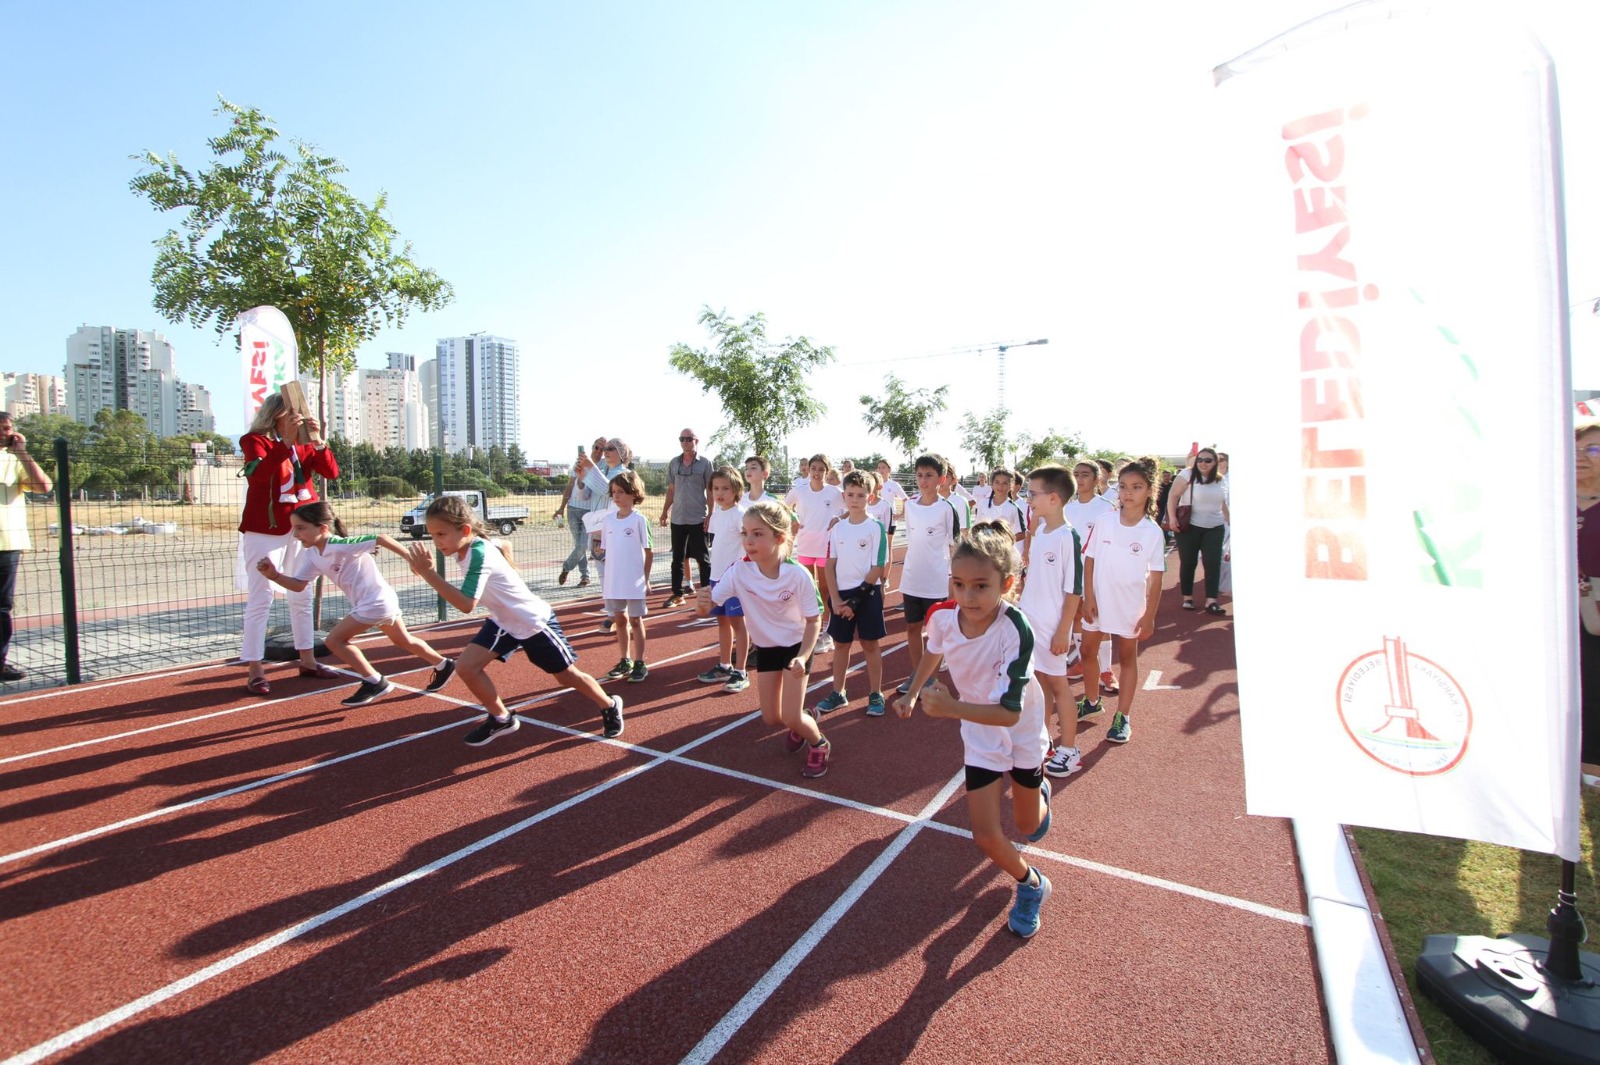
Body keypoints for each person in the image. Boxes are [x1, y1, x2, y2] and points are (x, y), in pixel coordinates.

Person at [892, 521, 1054, 938]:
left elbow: (1008, 714)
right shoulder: (946, 618)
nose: (968, 596)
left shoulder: (1014, 629)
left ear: (1008, 583)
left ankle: (1038, 795)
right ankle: (1031, 885)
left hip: (1018, 728)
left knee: (1027, 824)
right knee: (985, 835)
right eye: (959, 584)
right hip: (979, 733)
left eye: (981, 586)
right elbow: (932, 652)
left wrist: (949, 707)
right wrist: (913, 691)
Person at [405, 494, 623, 746]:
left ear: (464, 529)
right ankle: (501, 718)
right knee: (466, 666)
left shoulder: (477, 553)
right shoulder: (464, 545)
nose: (436, 541)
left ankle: (609, 704)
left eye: (440, 534)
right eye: (432, 535)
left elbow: (466, 605)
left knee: (566, 676)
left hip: (532, 622)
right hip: (504, 622)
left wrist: (428, 573)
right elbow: (500, 543)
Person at [255, 501, 453, 706]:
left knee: (334, 641)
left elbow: (381, 538)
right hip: (377, 601)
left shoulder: (340, 545)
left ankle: (375, 681)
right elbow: (297, 585)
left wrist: (412, 560)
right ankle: (443, 664)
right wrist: (275, 575)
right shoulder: (313, 554)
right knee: (403, 641)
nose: (295, 535)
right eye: (294, 528)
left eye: (301, 528)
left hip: (375, 603)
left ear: (323, 528)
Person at [697, 501, 831, 778]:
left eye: (758, 534)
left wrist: (804, 656)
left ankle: (819, 743)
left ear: (779, 538)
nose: (749, 541)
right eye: (745, 533)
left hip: (796, 647)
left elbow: (814, 620)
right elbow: (711, 605)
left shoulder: (797, 575)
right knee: (772, 718)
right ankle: (803, 719)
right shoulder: (738, 571)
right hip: (768, 648)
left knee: (791, 716)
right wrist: (701, 603)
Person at [236, 393, 341, 695]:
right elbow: (260, 478)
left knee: (301, 593)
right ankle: (255, 668)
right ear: (276, 415)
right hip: (265, 530)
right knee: (262, 596)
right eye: (291, 413)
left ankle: (307, 660)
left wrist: (318, 440)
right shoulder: (254, 441)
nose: (298, 416)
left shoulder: (304, 444)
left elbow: (330, 472)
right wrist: (285, 444)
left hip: (302, 528)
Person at [1079, 459, 1166, 744]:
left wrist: (1150, 615)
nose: (1128, 493)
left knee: (1127, 658)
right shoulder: (1104, 521)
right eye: (1124, 486)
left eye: (1136, 487)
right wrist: (1088, 596)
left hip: (1129, 605)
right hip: (1098, 601)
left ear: (1150, 491)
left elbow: (1156, 578)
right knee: (1087, 652)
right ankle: (1092, 701)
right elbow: (1089, 559)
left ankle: (1123, 716)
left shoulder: (1152, 532)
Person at [1019, 465, 1086, 777]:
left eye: (1033, 494)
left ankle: (1070, 750)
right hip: (1032, 621)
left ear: (1055, 499)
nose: (1028, 498)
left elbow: (1074, 590)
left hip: (1052, 628)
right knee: (1040, 685)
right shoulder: (1043, 531)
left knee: (1059, 686)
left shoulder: (1066, 536)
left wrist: (1064, 632)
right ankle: (1043, 742)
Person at [815, 470, 889, 718]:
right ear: (844, 496)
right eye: (850, 494)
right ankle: (838, 692)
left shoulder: (875, 527)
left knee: (869, 644)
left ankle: (876, 693)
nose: (854, 499)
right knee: (841, 645)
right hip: (842, 596)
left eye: (860, 495)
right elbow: (829, 565)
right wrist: (835, 600)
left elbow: (877, 567)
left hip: (866, 595)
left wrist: (854, 602)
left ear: (870, 496)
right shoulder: (837, 529)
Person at [897, 454, 965, 694]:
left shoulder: (947, 509)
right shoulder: (910, 506)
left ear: (942, 479)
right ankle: (918, 675)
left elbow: (955, 546)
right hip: (911, 579)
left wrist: (953, 581)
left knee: (935, 634)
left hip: (936, 581)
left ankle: (932, 680)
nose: (923, 481)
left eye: (929, 475)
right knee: (913, 629)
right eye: (919, 475)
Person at [0, 412, 52, 681]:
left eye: (8, 428)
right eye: (1, 428)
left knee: (2, 607)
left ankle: (0, 662)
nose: (4, 433)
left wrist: (22, 453)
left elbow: (44, 486)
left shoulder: (14, 460)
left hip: (7, 543)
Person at [698, 465, 751, 693]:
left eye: (725, 488)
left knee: (738, 622)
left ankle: (741, 671)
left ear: (736, 490)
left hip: (735, 579)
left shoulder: (740, 515)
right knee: (721, 621)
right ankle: (724, 665)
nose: (720, 493)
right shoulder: (716, 515)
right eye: (716, 488)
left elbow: (750, 541)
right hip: (716, 577)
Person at [784, 454, 844, 654]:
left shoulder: (835, 492)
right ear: (808, 470)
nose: (817, 473)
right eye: (814, 468)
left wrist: (837, 518)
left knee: (825, 589)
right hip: (805, 546)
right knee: (808, 588)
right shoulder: (800, 490)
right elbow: (783, 506)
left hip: (826, 547)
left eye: (821, 469)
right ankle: (810, 627)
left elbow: (850, 507)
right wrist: (793, 517)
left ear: (827, 472)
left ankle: (826, 632)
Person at [598, 470, 654, 684]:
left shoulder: (640, 520)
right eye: (613, 492)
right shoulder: (608, 520)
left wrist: (645, 579)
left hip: (634, 581)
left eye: (621, 492)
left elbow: (648, 551)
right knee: (619, 620)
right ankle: (625, 659)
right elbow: (605, 550)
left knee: (636, 620)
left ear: (633, 493)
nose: (616, 496)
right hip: (614, 580)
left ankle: (640, 661)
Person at [1064, 461, 1116, 683]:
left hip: (1097, 572)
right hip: (1072, 571)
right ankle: (1084, 663)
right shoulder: (1067, 508)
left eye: (1085, 475)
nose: (1079, 479)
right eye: (1076, 474)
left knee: (1098, 618)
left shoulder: (1106, 507)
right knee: (1077, 614)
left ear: (1097, 480)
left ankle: (1106, 669)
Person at [1168, 447, 1231, 615]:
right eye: (1200, 460)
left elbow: (1222, 503)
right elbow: (1173, 496)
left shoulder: (1221, 480)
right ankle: (1187, 597)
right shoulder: (1187, 475)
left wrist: (1230, 521)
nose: (1203, 463)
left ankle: (1212, 601)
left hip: (1215, 527)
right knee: (1189, 563)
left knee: (1213, 564)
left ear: (1215, 463)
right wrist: (1172, 518)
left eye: (1208, 460)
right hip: (1189, 527)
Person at [1574, 422, 1600, 787]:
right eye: (1578, 448)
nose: (1581, 455)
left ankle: (1592, 765)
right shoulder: (1553, 500)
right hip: (1557, 611)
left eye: (1592, 449)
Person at [660, 428, 713, 608]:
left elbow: (710, 490)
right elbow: (671, 489)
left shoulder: (705, 464)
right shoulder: (674, 463)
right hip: (678, 518)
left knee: (702, 558)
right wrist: (665, 511)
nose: (685, 442)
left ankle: (706, 592)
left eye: (689, 438)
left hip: (698, 517)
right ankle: (677, 594)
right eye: (682, 439)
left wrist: (711, 514)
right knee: (677, 558)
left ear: (696, 441)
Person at [552, 437, 608, 587]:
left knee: (583, 545)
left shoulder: (604, 465)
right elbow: (569, 486)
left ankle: (566, 567)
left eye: (603, 449)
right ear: (592, 447)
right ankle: (585, 576)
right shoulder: (578, 462)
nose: (599, 452)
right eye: (597, 448)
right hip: (573, 509)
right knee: (579, 544)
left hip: (590, 511)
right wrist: (561, 507)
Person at [875, 459, 909, 593]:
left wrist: (900, 514)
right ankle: (876, 577)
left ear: (889, 470)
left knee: (887, 549)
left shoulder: (893, 485)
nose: (880, 470)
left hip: (890, 521)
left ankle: (885, 578)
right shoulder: (874, 483)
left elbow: (905, 499)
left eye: (883, 467)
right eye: (879, 467)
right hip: (875, 521)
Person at [976, 467, 1027, 544]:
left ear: (1011, 486)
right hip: (984, 550)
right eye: (997, 482)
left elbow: (1022, 533)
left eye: (1005, 483)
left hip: (1004, 552)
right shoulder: (983, 503)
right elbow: (977, 527)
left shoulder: (1014, 508)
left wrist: (1004, 541)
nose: (1000, 486)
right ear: (991, 484)